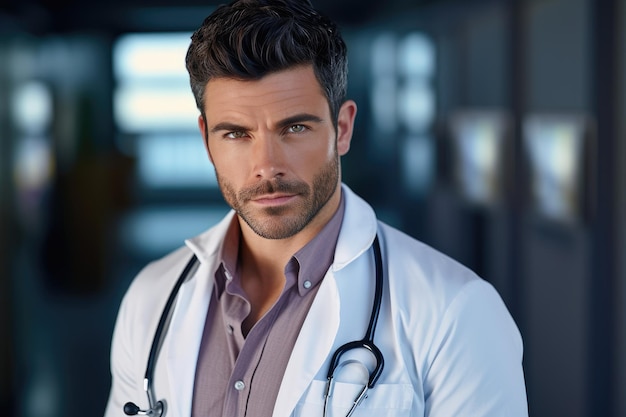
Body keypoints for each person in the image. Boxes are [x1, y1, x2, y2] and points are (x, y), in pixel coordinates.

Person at [104, 0, 528, 416]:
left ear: (342, 129)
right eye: (236, 134)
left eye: (294, 128)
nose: (266, 166)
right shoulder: (153, 297)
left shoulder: (456, 312)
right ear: (207, 142)